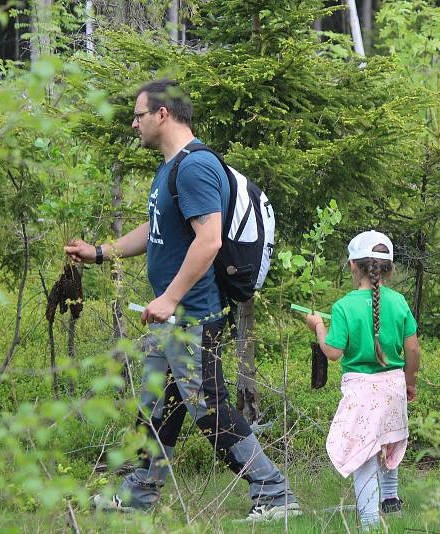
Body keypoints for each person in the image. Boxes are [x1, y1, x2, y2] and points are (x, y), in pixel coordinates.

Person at [64, 79, 299, 521]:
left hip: (192, 315)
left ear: (162, 115)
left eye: (138, 115)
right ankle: (139, 495)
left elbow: (208, 242)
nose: (134, 123)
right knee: (157, 407)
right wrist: (99, 252)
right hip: (171, 315)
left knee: (209, 409)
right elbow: (154, 232)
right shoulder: (170, 168)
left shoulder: (193, 168)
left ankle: (274, 492)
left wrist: (170, 299)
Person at [305, 231, 421, 531]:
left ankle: (369, 522)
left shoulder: (345, 306)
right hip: (393, 384)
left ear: (352, 266)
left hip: (361, 389)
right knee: (388, 439)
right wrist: (409, 382)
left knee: (364, 451)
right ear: (389, 268)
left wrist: (318, 326)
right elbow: (412, 348)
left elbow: (332, 352)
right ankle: (391, 499)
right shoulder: (399, 302)